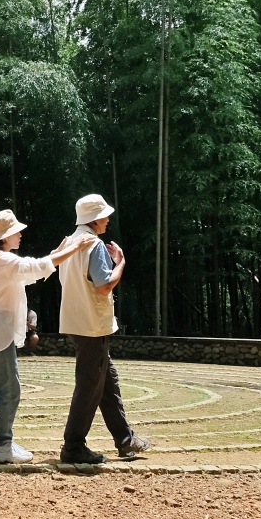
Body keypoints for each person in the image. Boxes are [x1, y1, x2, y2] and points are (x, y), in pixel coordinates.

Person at [0, 210, 96, 463]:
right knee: (9, 388)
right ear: (6, 235)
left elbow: (33, 271)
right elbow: (37, 266)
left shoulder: (0, 259)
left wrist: (58, 252)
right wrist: (73, 249)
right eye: (17, 231)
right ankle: (3, 445)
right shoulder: (3, 260)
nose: (20, 235)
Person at [57, 194, 151, 464]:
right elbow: (104, 285)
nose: (108, 219)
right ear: (95, 218)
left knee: (106, 382)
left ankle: (124, 439)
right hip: (92, 325)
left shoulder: (69, 242)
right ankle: (73, 446)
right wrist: (120, 262)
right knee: (89, 387)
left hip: (76, 322)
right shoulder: (93, 245)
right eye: (105, 215)